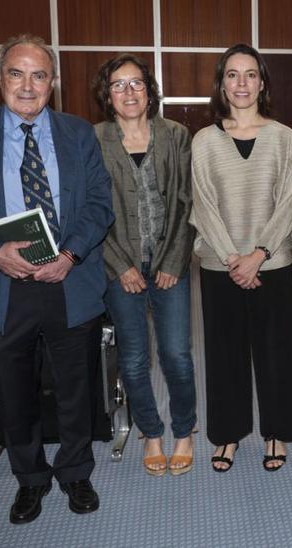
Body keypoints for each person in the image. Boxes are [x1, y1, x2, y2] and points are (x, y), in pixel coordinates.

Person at [0, 34, 114, 524]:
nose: (28, 85)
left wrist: (72, 253)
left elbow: (101, 203)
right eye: (17, 73)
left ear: (53, 83)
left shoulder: (79, 134)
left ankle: (76, 471)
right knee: (13, 396)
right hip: (1, 286)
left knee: (77, 388)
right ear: (0, 77)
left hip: (68, 281)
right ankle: (30, 479)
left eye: (39, 75)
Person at [189, 44, 292, 473]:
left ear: (262, 82)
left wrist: (258, 255)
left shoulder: (283, 137)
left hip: (270, 265)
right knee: (225, 355)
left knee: (276, 353)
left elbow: (289, 203)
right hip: (221, 268)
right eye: (232, 75)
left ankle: (277, 431)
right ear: (222, 84)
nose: (241, 83)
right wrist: (234, 258)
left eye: (250, 74)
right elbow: (202, 206)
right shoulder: (204, 141)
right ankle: (228, 435)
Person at [91, 53, 198, 477]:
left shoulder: (176, 135)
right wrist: (120, 265)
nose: (129, 92)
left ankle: (184, 431)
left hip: (170, 262)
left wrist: (174, 259)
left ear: (150, 91)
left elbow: (188, 201)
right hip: (121, 268)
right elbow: (92, 208)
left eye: (136, 83)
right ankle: (151, 433)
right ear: (108, 95)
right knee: (134, 359)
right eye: (118, 85)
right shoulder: (94, 139)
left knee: (177, 354)